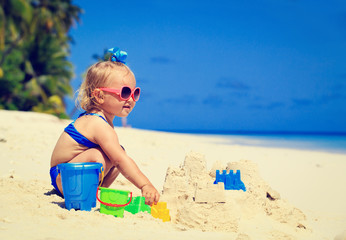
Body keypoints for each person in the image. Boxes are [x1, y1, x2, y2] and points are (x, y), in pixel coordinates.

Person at [50, 47, 160, 205]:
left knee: (118, 151)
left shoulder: (102, 121)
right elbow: (120, 161)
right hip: (64, 176)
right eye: (124, 92)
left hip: (71, 175)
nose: (130, 99)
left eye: (134, 93)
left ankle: (96, 191)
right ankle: (87, 193)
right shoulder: (97, 123)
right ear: (100, 96)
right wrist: (145, 185)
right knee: (106, 156)